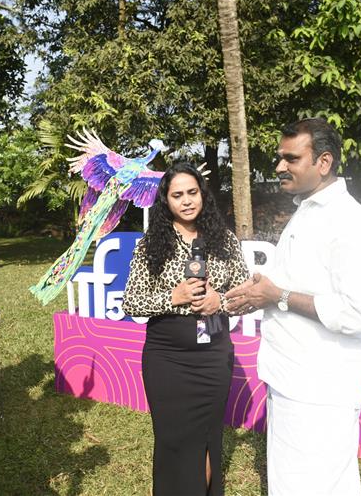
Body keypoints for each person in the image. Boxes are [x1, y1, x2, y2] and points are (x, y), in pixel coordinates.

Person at [225, 118, 361, 495]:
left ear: (323, 163)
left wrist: (276, 296)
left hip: (321, 388)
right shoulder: (307, 212)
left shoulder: (349, 223)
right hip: (291, 378)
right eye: (280, 157)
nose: (279, 166)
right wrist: (254, 293)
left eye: (291, 158)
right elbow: (289, 282)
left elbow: (358, 314)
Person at [122, 161, 250, 496]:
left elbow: (244, 295)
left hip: (212, 358)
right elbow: (132, 301)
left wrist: (217, 303)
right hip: (167, 359)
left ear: (203, 195)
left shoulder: (225, 240)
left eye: (192, 192)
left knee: (206, 440)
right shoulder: (151, 245)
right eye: (177, 195)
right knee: (172, 441)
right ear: (166, 201)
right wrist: (174, 296)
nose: (187, 200)